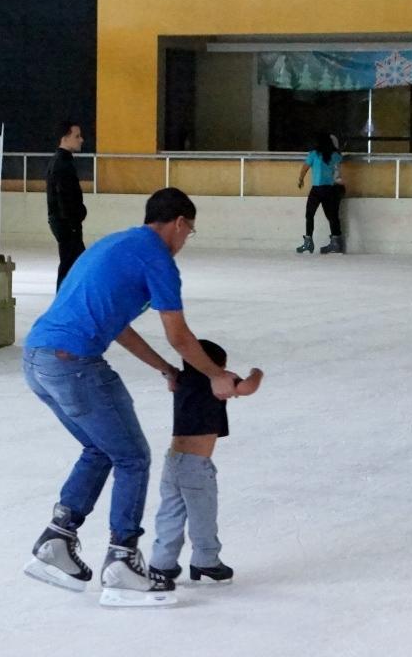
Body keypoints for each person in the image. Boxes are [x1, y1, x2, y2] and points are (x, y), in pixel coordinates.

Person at [22, 187, 255, 608]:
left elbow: (119, 327)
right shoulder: (157, 259)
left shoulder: (117, 244)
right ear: (179, 223)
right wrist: (216, 375)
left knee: (100, 448)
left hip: (38, 358)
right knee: (132, 457)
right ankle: (122, 562)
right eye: (189, 231)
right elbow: (179, 335)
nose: (185, 241)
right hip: (72, 361)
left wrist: (164, 369)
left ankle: (58, 538)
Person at [148, 339, 262, 585]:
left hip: (173, 462)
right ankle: (206, 559)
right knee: (203, 514)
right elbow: (248, 387)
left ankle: (161, 563)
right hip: (196, 466)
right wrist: (257, 372)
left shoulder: (182, 380)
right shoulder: (215, 382)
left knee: (170, 513)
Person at [46, 121, 86, 290]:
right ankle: (62, 299)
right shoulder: (61, 163)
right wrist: (74, 220)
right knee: (71, 264)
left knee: (75, 263)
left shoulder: (62, 161)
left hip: (66, 222)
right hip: (67, 223)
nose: (81, 140)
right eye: (77, 136)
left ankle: (66, 298)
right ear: (65, 138)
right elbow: (64, 196)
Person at [296, 132, 344, 255]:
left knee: (309, 214)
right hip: (329, 189)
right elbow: (339, 161)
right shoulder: (334, 155)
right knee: (332, 216)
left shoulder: (314, 154)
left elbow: (305, 168)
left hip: (316, 189)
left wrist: (300, 179)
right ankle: (336, 242)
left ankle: (308, 241)